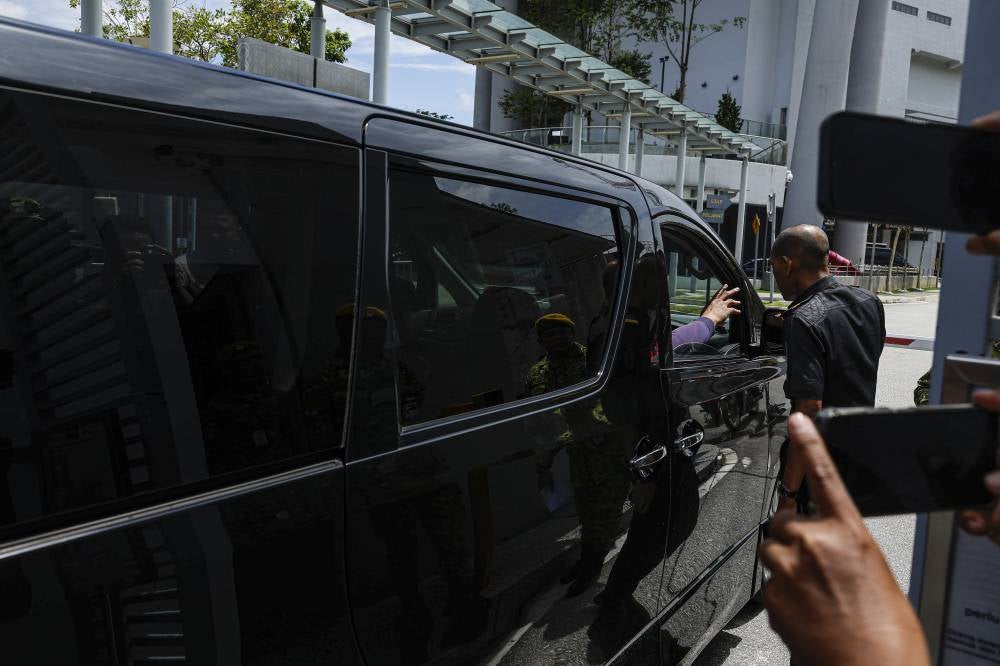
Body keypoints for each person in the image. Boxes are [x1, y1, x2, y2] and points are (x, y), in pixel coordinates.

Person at [770, 225, 885, 511]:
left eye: (773, 267)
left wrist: (789, 493)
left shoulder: (803, 319)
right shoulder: (869, 302)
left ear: (787, 264)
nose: (774, 276)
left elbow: (809, 410)